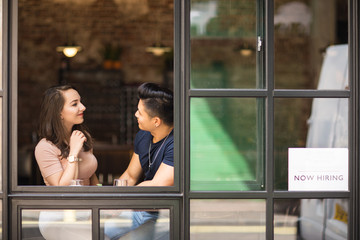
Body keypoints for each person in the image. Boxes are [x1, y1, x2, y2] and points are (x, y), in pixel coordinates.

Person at [104, 82, 173, 240]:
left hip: (164, 214)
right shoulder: (143, 135)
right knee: (100, 230)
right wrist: (112, 203)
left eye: (140, 113)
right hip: (139, 209)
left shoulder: (176, 143)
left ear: (156, 121)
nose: (135, 114)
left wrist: (125, 202)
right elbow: (130, 175)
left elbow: (157, 185)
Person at [34, 85, 99, 240]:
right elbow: (62, 188)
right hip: (58, 217)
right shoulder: (45, 147)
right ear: (59, 113)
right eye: (74, 104)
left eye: (80, 102)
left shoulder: (83, 137)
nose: (83, 107)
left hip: (87, 212)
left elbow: (91, 178)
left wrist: (101, 204)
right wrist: (74, 152)